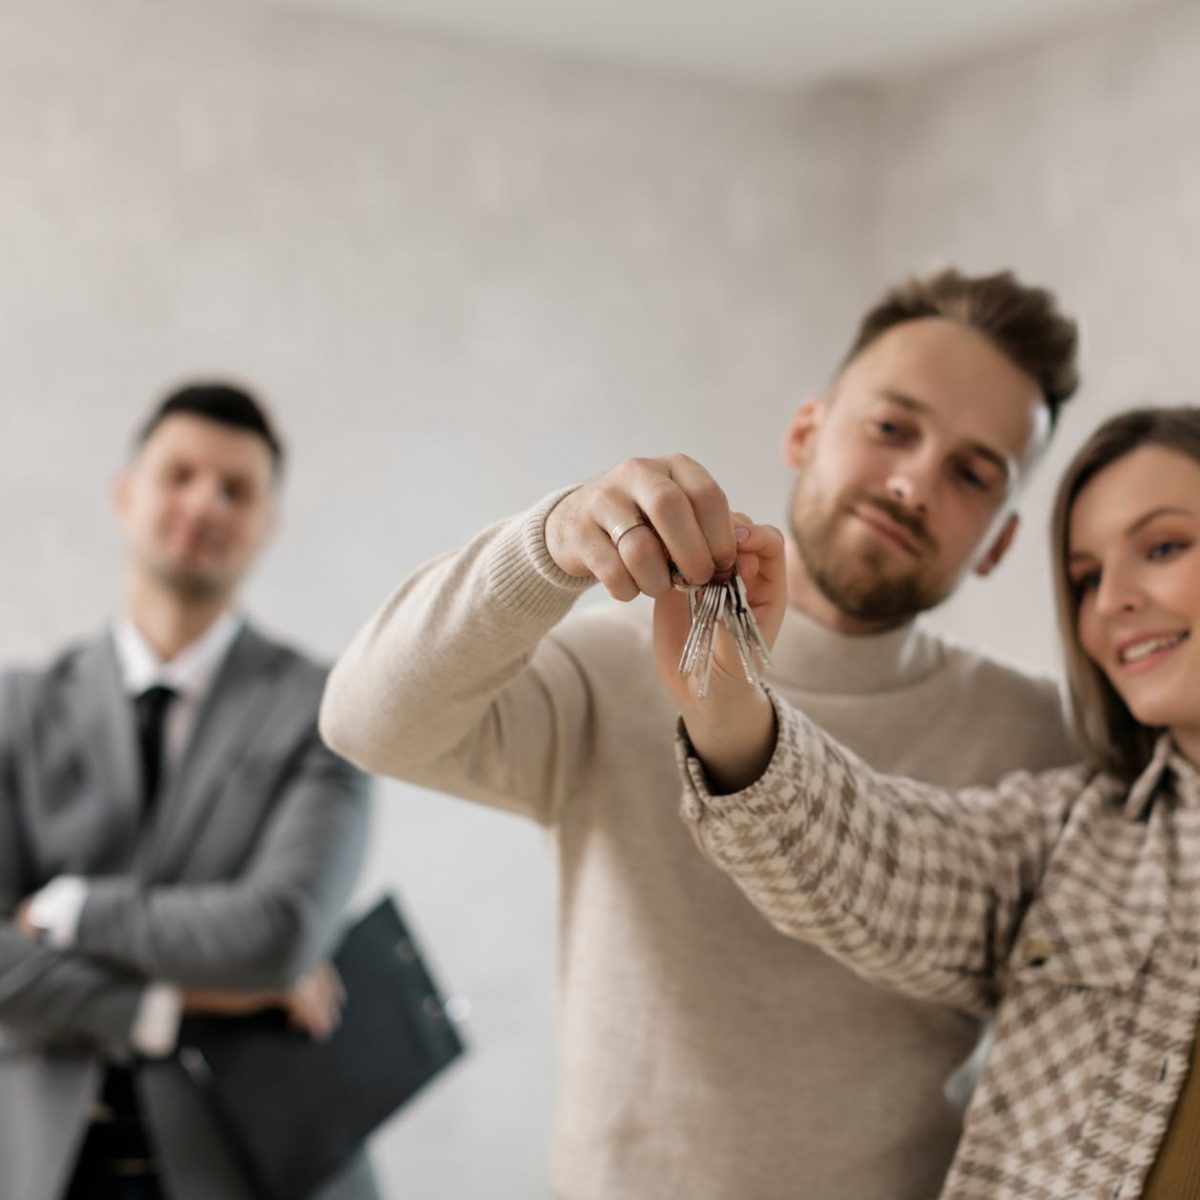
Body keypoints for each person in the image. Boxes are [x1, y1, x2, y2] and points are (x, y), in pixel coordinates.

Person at [320, 269, 1080, 1200]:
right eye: (892, 427)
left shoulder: (1042, 737)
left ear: (1000, 540)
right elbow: (365, 723)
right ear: (807, 431)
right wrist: (547, 545)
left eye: (972, 473)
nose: (913, 480)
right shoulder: (611, 664)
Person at [661, 406, 1200, 1198]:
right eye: (1085, 577)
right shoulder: (1071, 837)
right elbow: (880, 862)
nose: (1112, 600)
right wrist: (728, 704)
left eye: (1163, 547)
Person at [0, 384, 377, 1200]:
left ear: (266, 527)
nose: (203, 501)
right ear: (126, 494)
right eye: (179, 475)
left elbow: (283, 934)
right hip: (46, 1166)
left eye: (236, 489)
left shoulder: (332, 706)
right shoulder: (17, 707)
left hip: (259, 1169)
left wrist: (72, 912)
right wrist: (174, 1001)